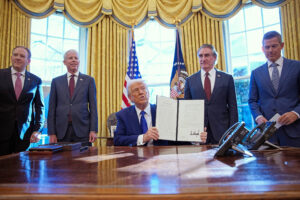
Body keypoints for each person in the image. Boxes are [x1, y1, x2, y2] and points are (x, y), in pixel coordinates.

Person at [114, 79, 207, 146]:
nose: (141, 92)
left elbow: (176, 137)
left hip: (162, 157)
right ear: (130, 97)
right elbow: (118, 140)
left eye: (143, 89)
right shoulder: (123, 115)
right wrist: (143, 138)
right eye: (136, 90)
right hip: (135, 159)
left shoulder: (164, 110)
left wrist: (195, 138)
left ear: (148, 93)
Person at [248, 31, 300, 147]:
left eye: (274, 46)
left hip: (294, 132)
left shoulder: (297, 67)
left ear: (282, 45)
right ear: (263, 49)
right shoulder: (256, 73)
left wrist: (296, 113)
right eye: (267, 47)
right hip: (267, 135)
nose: (270, 50)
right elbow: (252, 101)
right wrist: (258, 117)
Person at [184, 44, 238, 144]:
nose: (203, 59)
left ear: (214, 57)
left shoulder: (227, 78)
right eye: (200, 56)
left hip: (223, 132)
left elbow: (233, 107)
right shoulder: (190, 81)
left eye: (207, 55)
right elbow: (187, 109)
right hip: (198, 134)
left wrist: (232, 131)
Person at [0, 46, 44, 156]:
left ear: (28, 61)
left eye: (22, 56)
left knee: (20, 168)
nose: (18, 58)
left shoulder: (36, 80)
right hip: (1, 131)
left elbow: (40, 107)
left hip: (24, 133)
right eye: (15, 55)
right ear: (11, 58)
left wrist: (37, 130)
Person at [48, 49, 98, 146]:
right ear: (64, 62)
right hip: (61, 131)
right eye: (70, 58)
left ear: (79, 62)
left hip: (83, 130)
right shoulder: (56, 81)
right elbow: (51, 109)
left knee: (84, 159)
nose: (74, 60)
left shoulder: (89, 80)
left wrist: (93, 130)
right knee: (62, 160)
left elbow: (93, 107)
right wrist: (52, 133)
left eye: (76, 58)